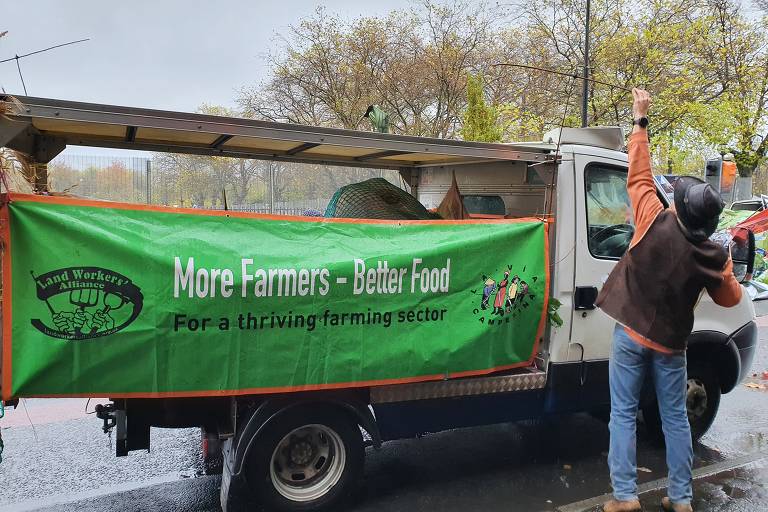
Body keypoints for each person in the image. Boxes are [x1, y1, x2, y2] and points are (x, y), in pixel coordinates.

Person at [596, 89, 743, 512]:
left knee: (623, 414)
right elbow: (731, 299)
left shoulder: (652, 218)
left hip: (630, 333)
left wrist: (640, 119)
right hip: (671, 345)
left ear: (679, 208)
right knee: (676, 418)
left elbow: (639, 175)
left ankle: (625, 497)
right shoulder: (713, 256)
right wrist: (726, 265)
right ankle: (680, 499)